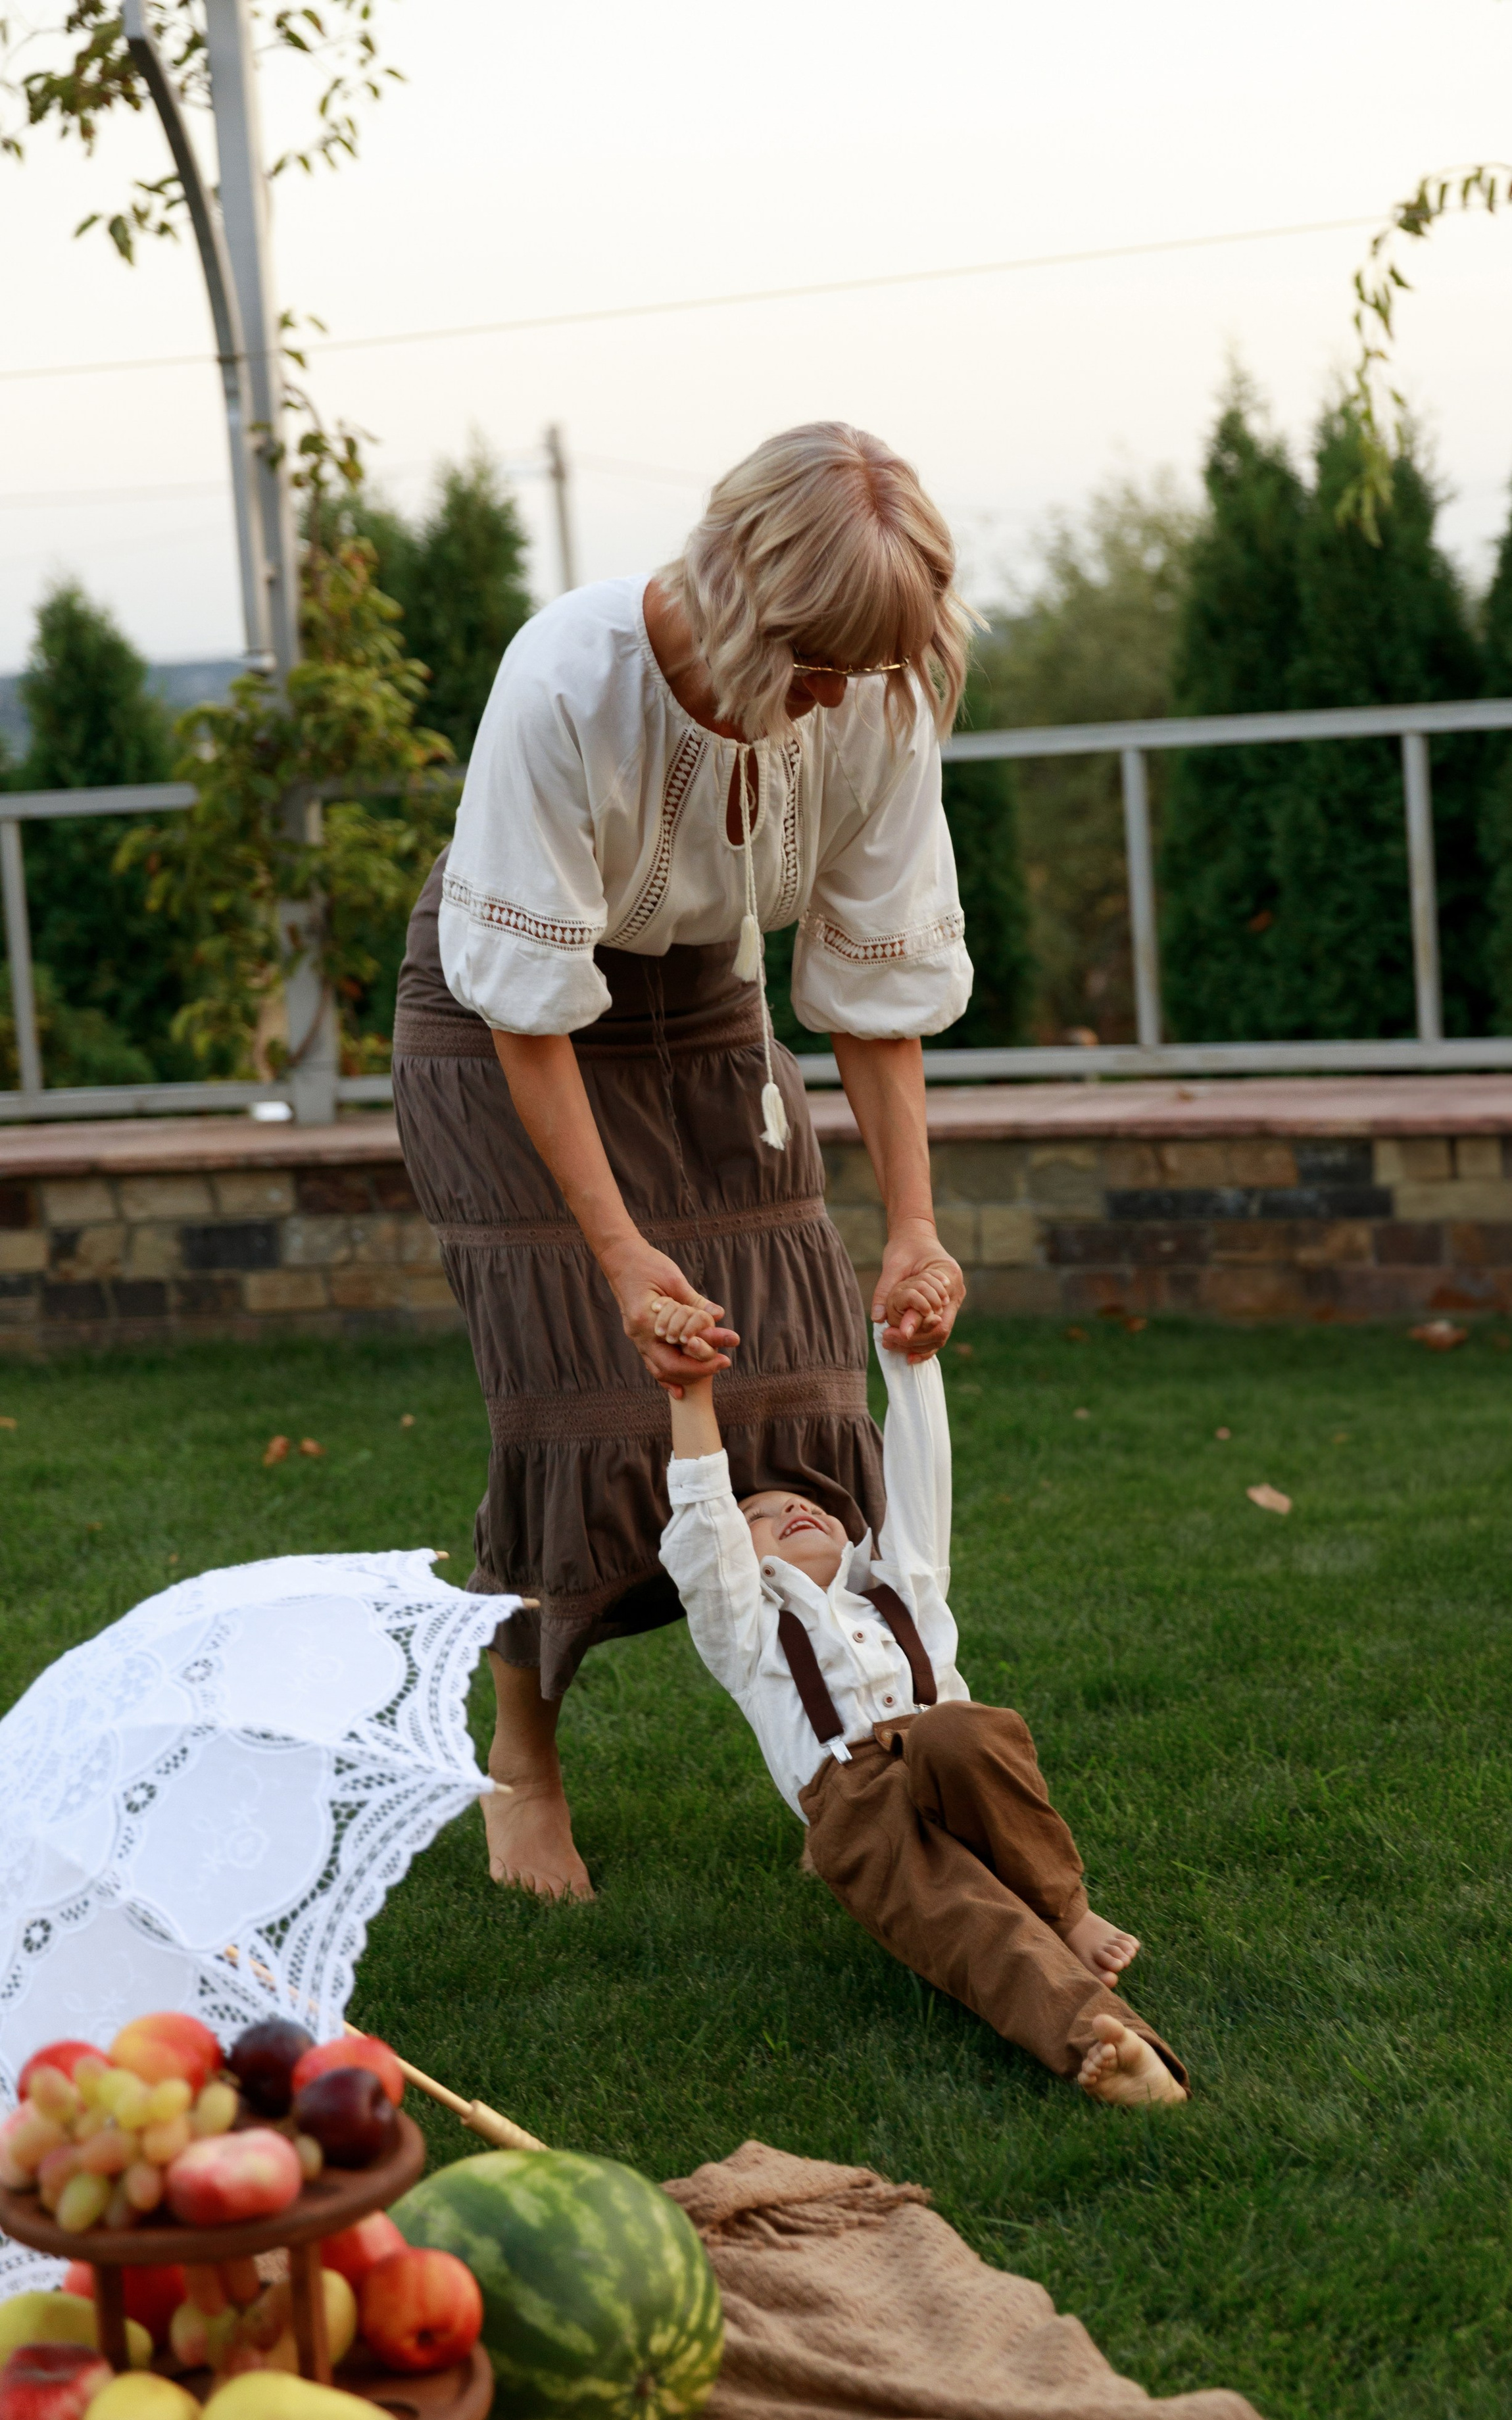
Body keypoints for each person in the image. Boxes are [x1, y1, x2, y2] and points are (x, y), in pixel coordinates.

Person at [391, 424, 977, 1904]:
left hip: (704, 1001)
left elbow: (870, 981)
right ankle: (524, 1758)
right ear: (736, 595)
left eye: (871, 663)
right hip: (504, 1016)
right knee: (587, 1399)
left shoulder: (876, 697)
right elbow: (528, 1014)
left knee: (790, 1368)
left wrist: (911, 1226)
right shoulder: (564, 680)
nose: (843, 695)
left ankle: (847, 1723)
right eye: (820, 658)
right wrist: (617, 1252)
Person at [654, 1284, 1190, 2108]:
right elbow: (702, 1524)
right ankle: (1106, 2045)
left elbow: (917, 1476)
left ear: (847, 1527)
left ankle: (1067, 1910)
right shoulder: (748, 1629)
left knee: (961, 1731)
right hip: (855, 1801)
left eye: (805, 1502)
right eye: (759, 1515)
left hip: (947, 1757)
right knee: (967, 1914)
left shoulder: (906, 1588)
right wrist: (692, 1396)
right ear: (744, 1555)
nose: (792, 1505)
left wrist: (909, 1365)